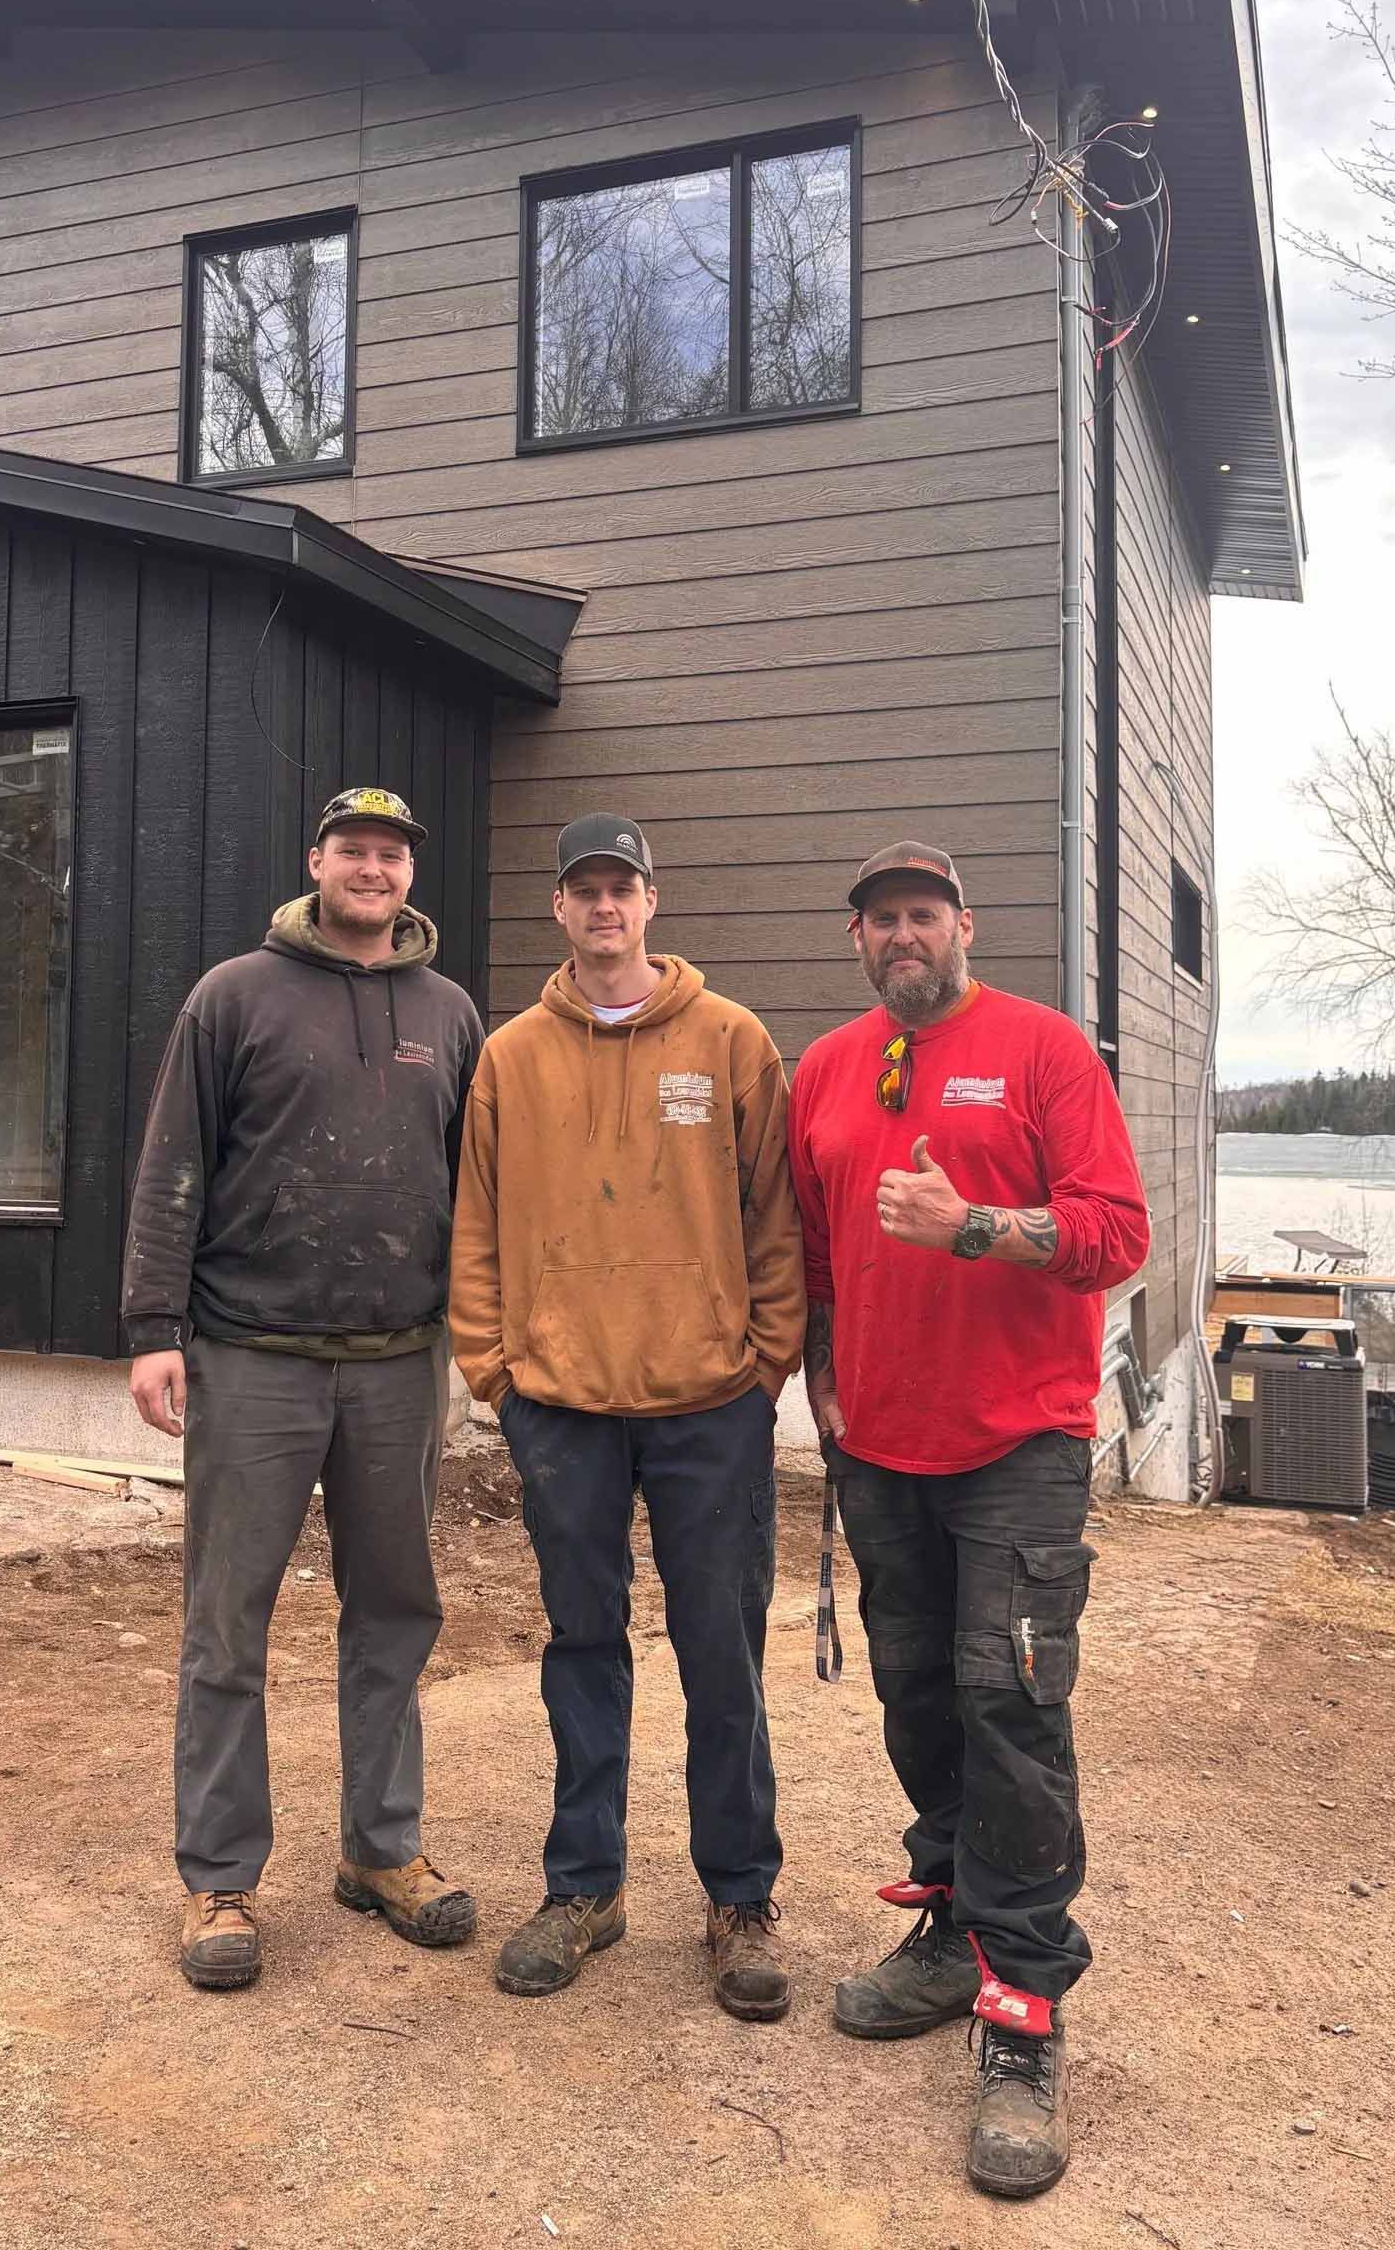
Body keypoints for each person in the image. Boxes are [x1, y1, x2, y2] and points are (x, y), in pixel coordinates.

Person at [786, 840, 1149, 2201]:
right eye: (878, 918)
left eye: (922, 914)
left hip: (1019, 1443)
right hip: (879, 1442)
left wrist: (976, 1227)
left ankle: (1023, 2008)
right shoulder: (827, 1070)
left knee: (1012, 1704)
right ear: (859, 941)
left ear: (963, 926)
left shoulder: (1046, 1051)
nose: (902, 936)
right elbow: (817, 1246)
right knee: (920, 1694)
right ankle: (947, 1921)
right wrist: (821, 1371)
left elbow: (1118, 1237)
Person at [123, 787, 484, 1991]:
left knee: (394, 1614)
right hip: (252, 1358)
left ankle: (382, 1853)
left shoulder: (451, 1011)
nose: (372, 868)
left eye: (392, 852)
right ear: (317, 861)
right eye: (354, 850)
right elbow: (175, 1158)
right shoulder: (233, 996)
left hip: (397, 1365)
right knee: (230, 1622)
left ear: (408, 873)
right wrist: (153, 1325)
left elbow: (477, 1188)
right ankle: (220, 1879)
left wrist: (479, 1338)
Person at [448, 814, 806, 2018]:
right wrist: (494, 1367)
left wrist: (766, 1364)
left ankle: (740, 1895)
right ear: (559, 908)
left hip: (712, 1406)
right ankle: (583, 1886)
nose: (605, 908)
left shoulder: (732, 1040)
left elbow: (777, 1221)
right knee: (581, 1649)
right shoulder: (511, 1056)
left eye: (623, 888)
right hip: (563, 1409)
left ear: (653, 901)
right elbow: (478, 1223)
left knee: (723, 1654)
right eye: (584, 889)